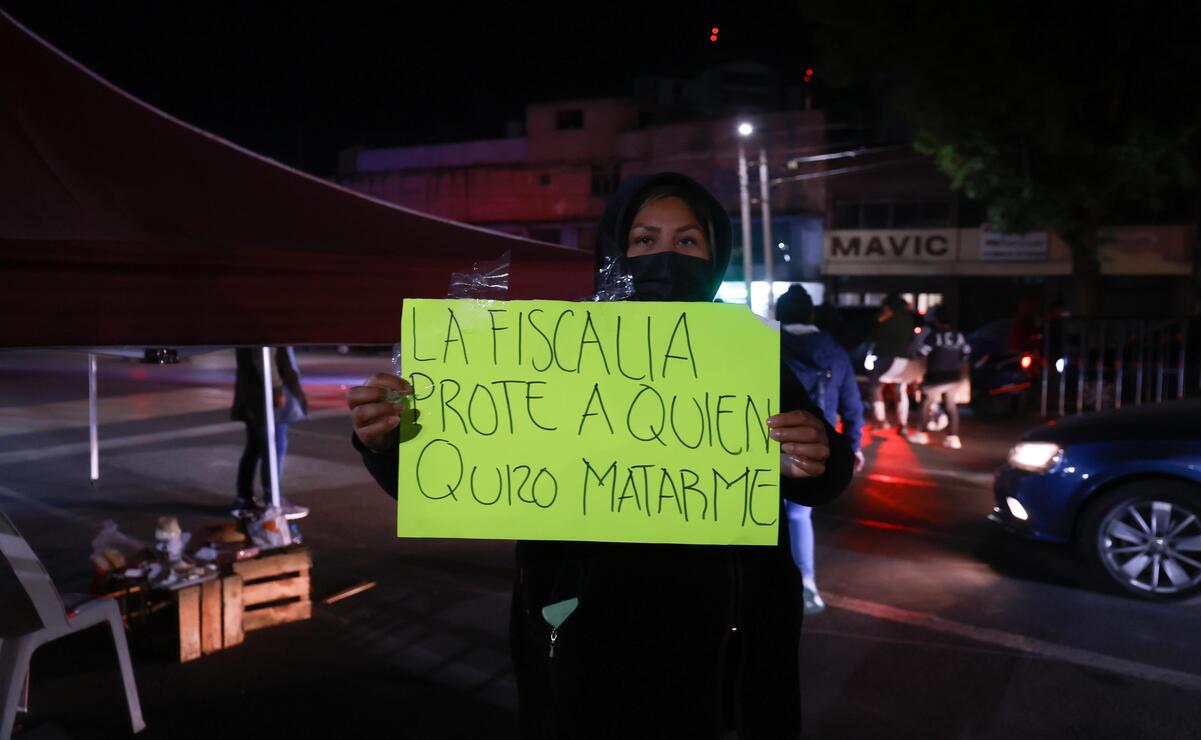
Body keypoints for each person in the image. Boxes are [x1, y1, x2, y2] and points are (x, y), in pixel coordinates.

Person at [348, 172, 854, 739]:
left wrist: (815, 456)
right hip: (584, 637)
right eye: (644, 240)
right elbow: (454, 469)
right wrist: (388, 439)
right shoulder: (555, 349)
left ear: (716, 255)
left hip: (724, 647)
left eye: (687, 241)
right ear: (615, 249)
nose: (665, 257)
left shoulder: (749, 357)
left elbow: (821, 473)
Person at [775, 285, 865, 615]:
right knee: (799, 515)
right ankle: (807, 583)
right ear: (811, 315)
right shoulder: (835, 352)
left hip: (767, 441)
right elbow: (852, 405)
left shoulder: (760, 342)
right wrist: (853, 445)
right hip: (815, 449)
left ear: (778, 314)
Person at [231, 346, 310, 519]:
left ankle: (244, 499)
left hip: (253, 397)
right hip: (263, 398)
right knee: (274, 447)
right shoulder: (265, 330)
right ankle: (274, 500)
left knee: (255, 448)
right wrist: (276, 388)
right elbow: (263, 358)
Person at [910, 305, 971, 448]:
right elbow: (966, 354)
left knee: (925, 402)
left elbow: (920, 354)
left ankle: (922, 434)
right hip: (954, 378)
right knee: (951, 406)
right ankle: (953, 438)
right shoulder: (958, 336)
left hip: (935, 377)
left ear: (936, 320)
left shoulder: (934, 336)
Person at [867, 292, 916, 435]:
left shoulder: (884, 319)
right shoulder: (907, 319)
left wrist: (880, 320)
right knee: (900, 391)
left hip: (885, 359)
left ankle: (882, 420)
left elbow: (874, 335)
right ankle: (903, 424)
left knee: (875, 387)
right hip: (903, 360)